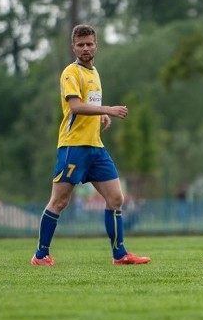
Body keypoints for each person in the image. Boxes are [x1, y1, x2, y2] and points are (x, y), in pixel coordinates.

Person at [31, 24, 150, 267]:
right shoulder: (70, 73)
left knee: (116, 198)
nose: (85, 48)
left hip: (96, 148)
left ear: (96, 45)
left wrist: (100, 116)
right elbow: (75, 106)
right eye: (80, 45)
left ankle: (120, 255)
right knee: (59, 202)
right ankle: (41, 255)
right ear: (73, 47)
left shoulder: (94, 73)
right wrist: (108, 110)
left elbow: (88, 105)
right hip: (73, 147)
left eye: (89, 44)